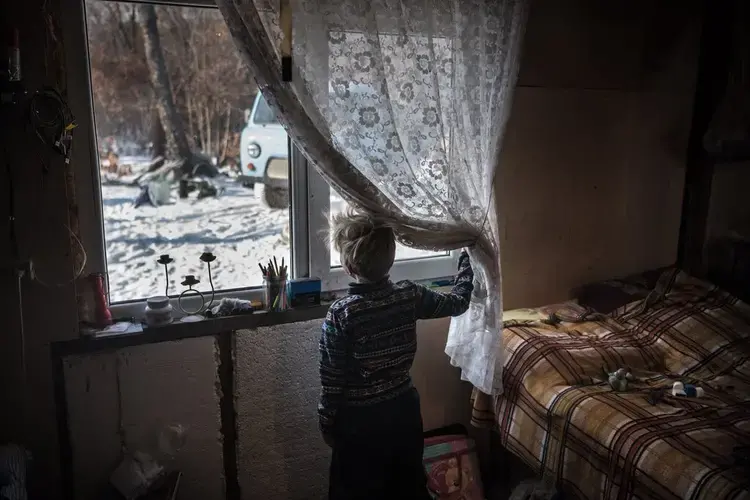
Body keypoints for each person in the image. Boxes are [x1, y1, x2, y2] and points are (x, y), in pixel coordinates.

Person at [319, 208, 474, 500]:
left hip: (358, 424)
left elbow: (332, 382)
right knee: (406, 489)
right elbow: (458, 302)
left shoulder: (341, 314)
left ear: (350, 268)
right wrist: (467, 254)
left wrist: (326, 423)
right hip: (402, 413)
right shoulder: (409, 296)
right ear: (390, 259)